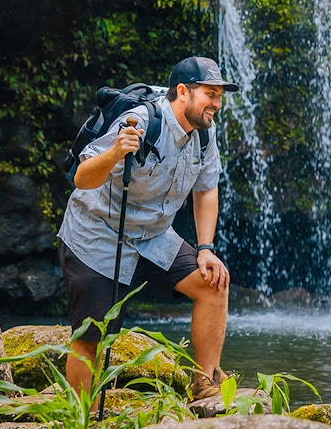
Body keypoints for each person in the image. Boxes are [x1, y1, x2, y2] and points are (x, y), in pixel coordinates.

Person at [57, 55, 238, 405]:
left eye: (219, 95)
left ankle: (204, 384)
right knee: (91, 335)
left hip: (153, 234)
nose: (216, 103)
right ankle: (82, 422)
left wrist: (205, 248)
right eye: (210, 94)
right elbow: (82, 179)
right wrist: (114, 153)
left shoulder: (204, 133)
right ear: (183, 91)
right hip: (98, 233)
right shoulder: (142, 121)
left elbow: (206, 188)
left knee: (214, 283)